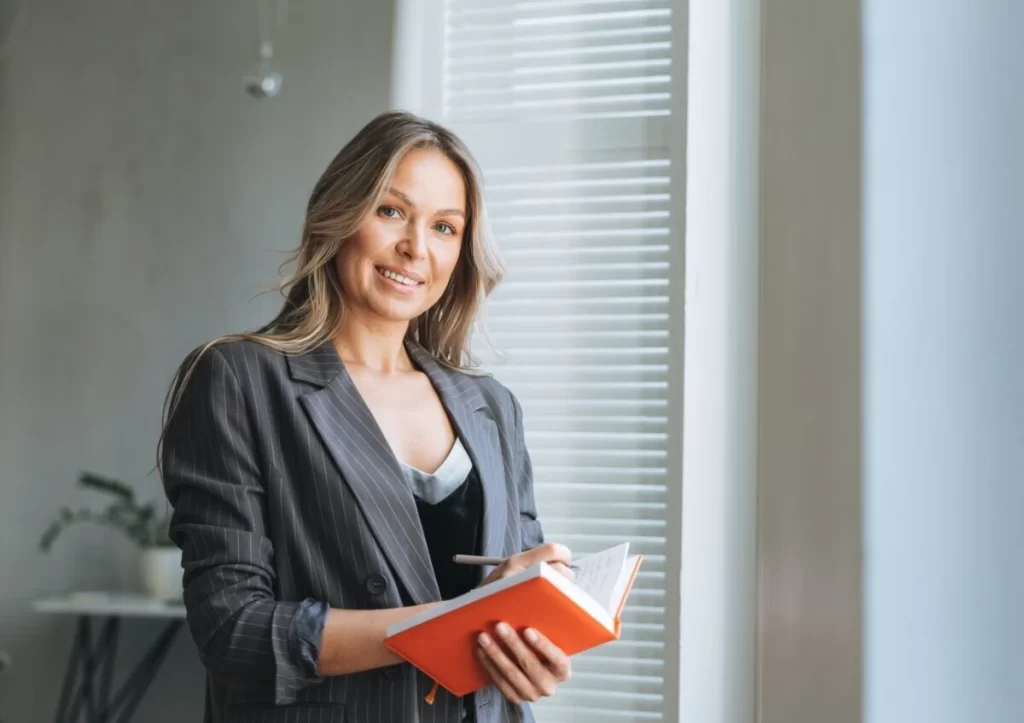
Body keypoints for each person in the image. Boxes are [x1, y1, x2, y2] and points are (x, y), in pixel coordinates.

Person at [157, 110, 575, 723]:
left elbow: (515, 610)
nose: (416, 247)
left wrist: (536, 647)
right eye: (390, 211)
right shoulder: (238, 379)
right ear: (339, 213)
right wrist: (452, 624)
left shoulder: (492, 408)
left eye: (445, 227)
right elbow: (232, 631)